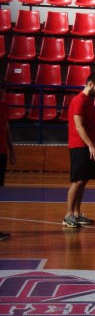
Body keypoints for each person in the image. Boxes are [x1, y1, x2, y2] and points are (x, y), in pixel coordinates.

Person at [64, 72, 95, 228]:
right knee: (77, 181)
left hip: (87, 145)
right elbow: (79, 126)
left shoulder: (89, 101)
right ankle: (68, 215)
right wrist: (91, 145)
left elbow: (87, 124)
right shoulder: (79, 101)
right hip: (79, 145)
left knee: (83, 181)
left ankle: (77, 214)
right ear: (90, 84)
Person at [0, 77, 15, 240]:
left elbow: (6, 129)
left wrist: (12, 151)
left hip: (1, 152)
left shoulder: (4, 106)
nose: (3, 93)